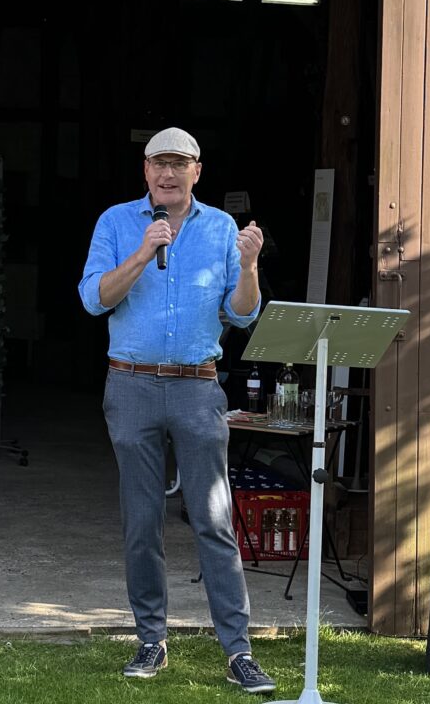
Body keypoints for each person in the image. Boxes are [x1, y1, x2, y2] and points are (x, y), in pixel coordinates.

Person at [78, 127, 275, 694]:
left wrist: (251, 265)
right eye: (158, 163)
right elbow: (94, 298)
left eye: (179, 164)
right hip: (131, 385)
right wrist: (143, 251)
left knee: (214, 520)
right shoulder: (116, 223)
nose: (168, 173)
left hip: (196, 386)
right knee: (142, 523)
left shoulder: (219, 229)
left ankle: (239, 651)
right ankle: (151, 641)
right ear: (145, 171)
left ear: (197, 171)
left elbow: (241, 315)